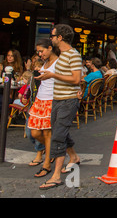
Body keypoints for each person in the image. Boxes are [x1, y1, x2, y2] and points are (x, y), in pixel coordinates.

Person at [35, 24, 82, 190]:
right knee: (59, 132)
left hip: (67, 101)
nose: (51, 38)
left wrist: (53, 75)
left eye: (53, 36)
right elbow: (75, 78)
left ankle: (55, 176)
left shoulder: (73, 55)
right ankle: (74, 157)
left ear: (60, 38)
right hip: (58, 99)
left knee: (58, 135)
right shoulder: (62, 55)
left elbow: (76, 78)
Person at [28, 38, 59, 178]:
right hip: (40, 99)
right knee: (34, 133)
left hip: (50, 99)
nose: (40, 54)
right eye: (38, 52)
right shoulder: (46, 62)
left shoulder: (59, 62)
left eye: (41, 51)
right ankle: (51, 150)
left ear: (50, 48)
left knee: (47, 133)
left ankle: (47, 164)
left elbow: (65, 78)